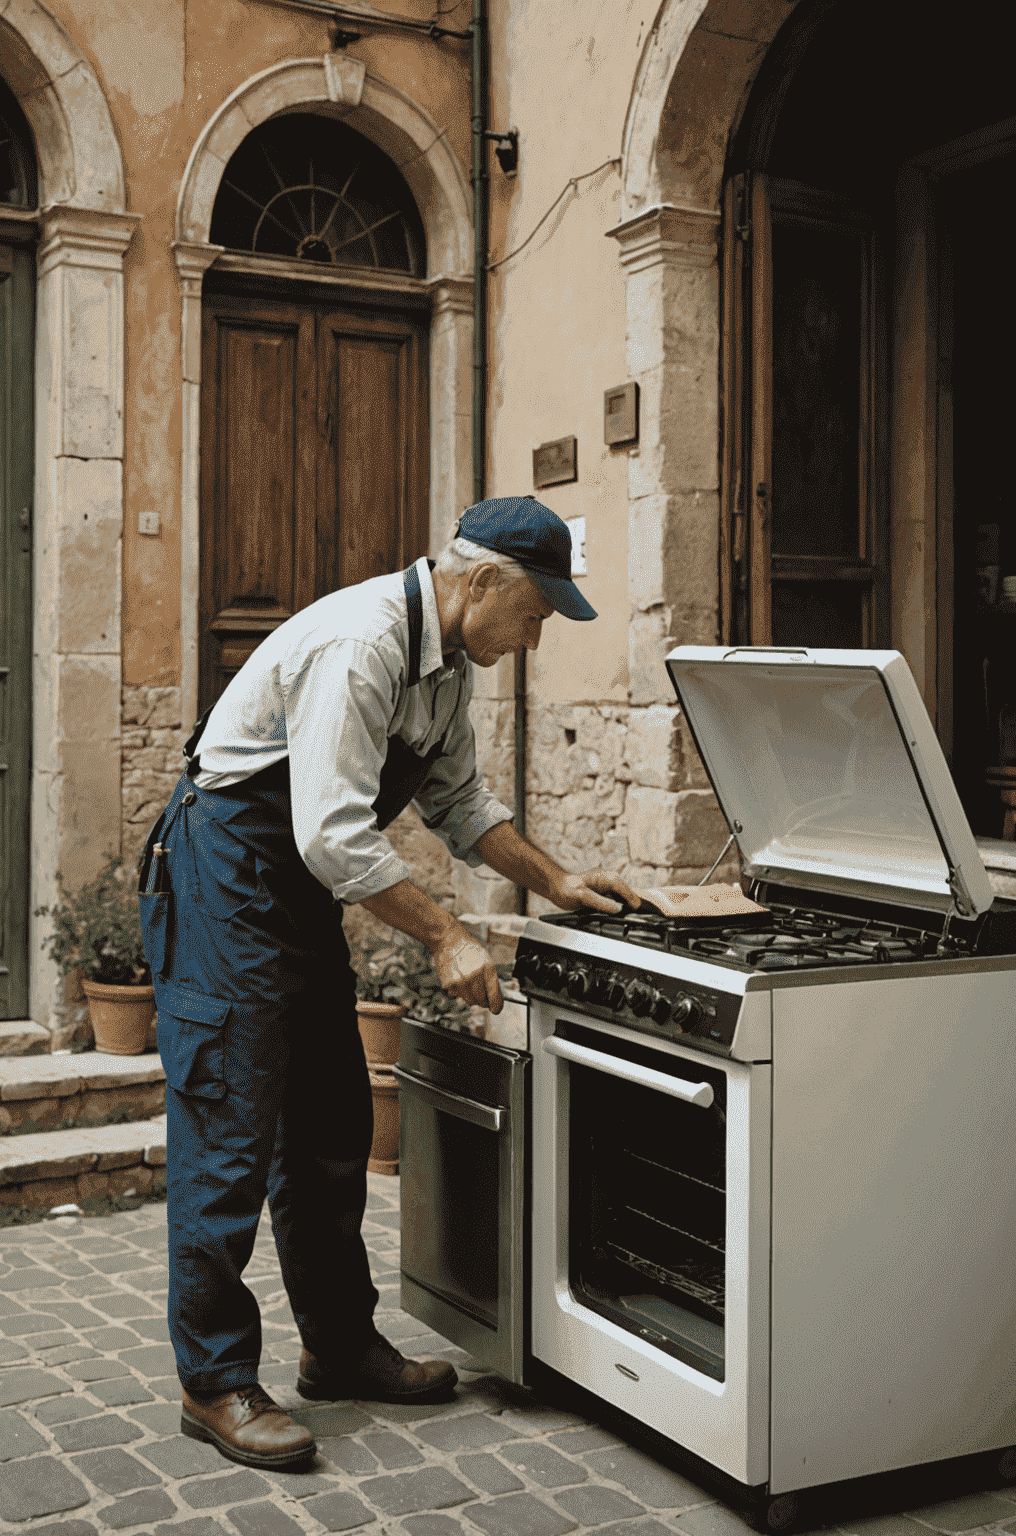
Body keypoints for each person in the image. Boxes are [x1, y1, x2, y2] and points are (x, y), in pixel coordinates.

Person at [138, 496, 640, 1471]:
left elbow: (461, 807)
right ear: (485, 582)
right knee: (231, 1124)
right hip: (226, 873)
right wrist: (449, 934)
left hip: (293, 888)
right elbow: (332, 833)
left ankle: (339, 1346)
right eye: (537, 615)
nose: (535, 639)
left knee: (330, 1119)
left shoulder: (449, 667)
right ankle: (213, 1380)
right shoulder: (364, 644)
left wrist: (559, 881)